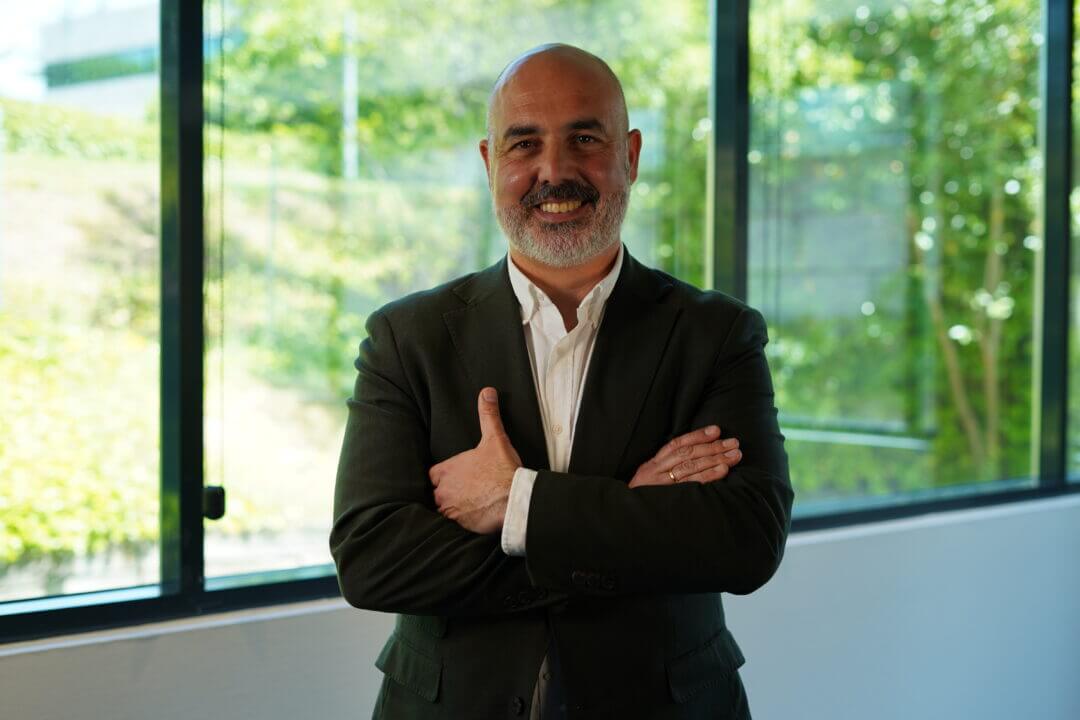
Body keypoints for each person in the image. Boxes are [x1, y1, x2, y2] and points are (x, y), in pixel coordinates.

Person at [331, 43, 793, 720]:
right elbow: (373, 560)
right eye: (524, 143)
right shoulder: (408, 337)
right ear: (490, 163)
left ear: (630, 154)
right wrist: (626, 513)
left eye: (584, 139)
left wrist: (516, 502)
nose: (554, 171)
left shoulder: (716, 334)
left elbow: (746, 540)